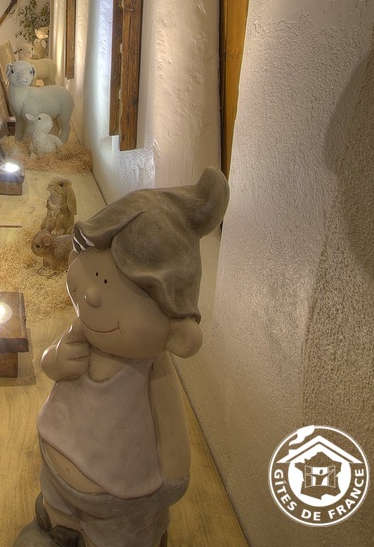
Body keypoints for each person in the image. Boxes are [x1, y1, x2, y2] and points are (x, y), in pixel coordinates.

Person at [34, 167, 229, 547]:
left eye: (109, 283)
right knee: (57, 509)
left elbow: (171, 429)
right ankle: (60, 523)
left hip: (117, 493)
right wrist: (55, 359)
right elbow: (49, 366)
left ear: (177, 334)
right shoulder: (81, 332)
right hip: (55, 454)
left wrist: (172, 479)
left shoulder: (153, 370)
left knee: (117, 535)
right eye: (91, 270)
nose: (90, 293)